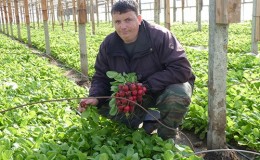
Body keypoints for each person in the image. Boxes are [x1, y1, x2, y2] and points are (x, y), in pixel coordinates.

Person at [78, 0, 195, 141]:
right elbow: (101, 76)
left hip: (161, 89)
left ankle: (167, 136)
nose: (123, 27)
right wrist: (95, 97)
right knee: (104, 105)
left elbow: (181, 69)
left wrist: (146, 86)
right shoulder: (108, 45)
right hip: (134, 94)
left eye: (128, 20)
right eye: (118, 22)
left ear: (139, 19)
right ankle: (148, 119)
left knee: (178, 94)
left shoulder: (160, 36)